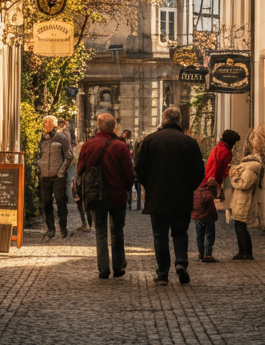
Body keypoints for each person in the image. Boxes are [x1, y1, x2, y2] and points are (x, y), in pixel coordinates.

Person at [134, 106, 205, 285]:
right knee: (180, 233)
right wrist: (189, 187)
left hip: (157, 197)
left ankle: (163, 273)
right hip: (182, 197)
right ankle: (181, 262)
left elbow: (139, 169)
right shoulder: (190, 142)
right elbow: (199, 171)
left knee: (160, 236)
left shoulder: (150, 140)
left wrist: (150, 186)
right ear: (179, 120)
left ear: (163, 120)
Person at [78, 113, 134, 279]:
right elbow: (128, 173)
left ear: (98, 126)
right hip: (117, 196)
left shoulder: (88, 145)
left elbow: (80, 170)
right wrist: (126, 188)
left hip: (96, 197)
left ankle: (103, 269)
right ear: (114, 127)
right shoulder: (120, 146)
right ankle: (118, 267)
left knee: (100, 233)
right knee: (117, 231)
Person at [194, 130, 240, 262]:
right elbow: (215, 171)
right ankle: (207, 254)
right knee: (209, 226)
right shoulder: (225, 151)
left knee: (199, 225)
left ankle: (201, 253)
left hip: (202, 188)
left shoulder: (217, 148)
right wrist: (218, 188)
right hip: (208, 189)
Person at [37, 115, 74, 239]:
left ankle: (63, 228)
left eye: (49, 123)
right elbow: (38, 155)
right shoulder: (41, 138)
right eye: (45, 122)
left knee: (60, 202)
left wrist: (61, 172)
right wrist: (39, 167)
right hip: (45, 176)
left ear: (54, 125)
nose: (46, 125)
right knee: (46, 203)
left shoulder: (60, 137)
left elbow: (69, 156)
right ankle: (50, 229)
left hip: (58, 177)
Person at [227, 139, 265, 260]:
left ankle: (245, 252)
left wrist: (233, 178)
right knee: (240, 227)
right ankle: (245, 251)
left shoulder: (250, 170)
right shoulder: (247, 169)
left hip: (244, 202)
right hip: (240, 201)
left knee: (240, 228)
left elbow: (243, 184)